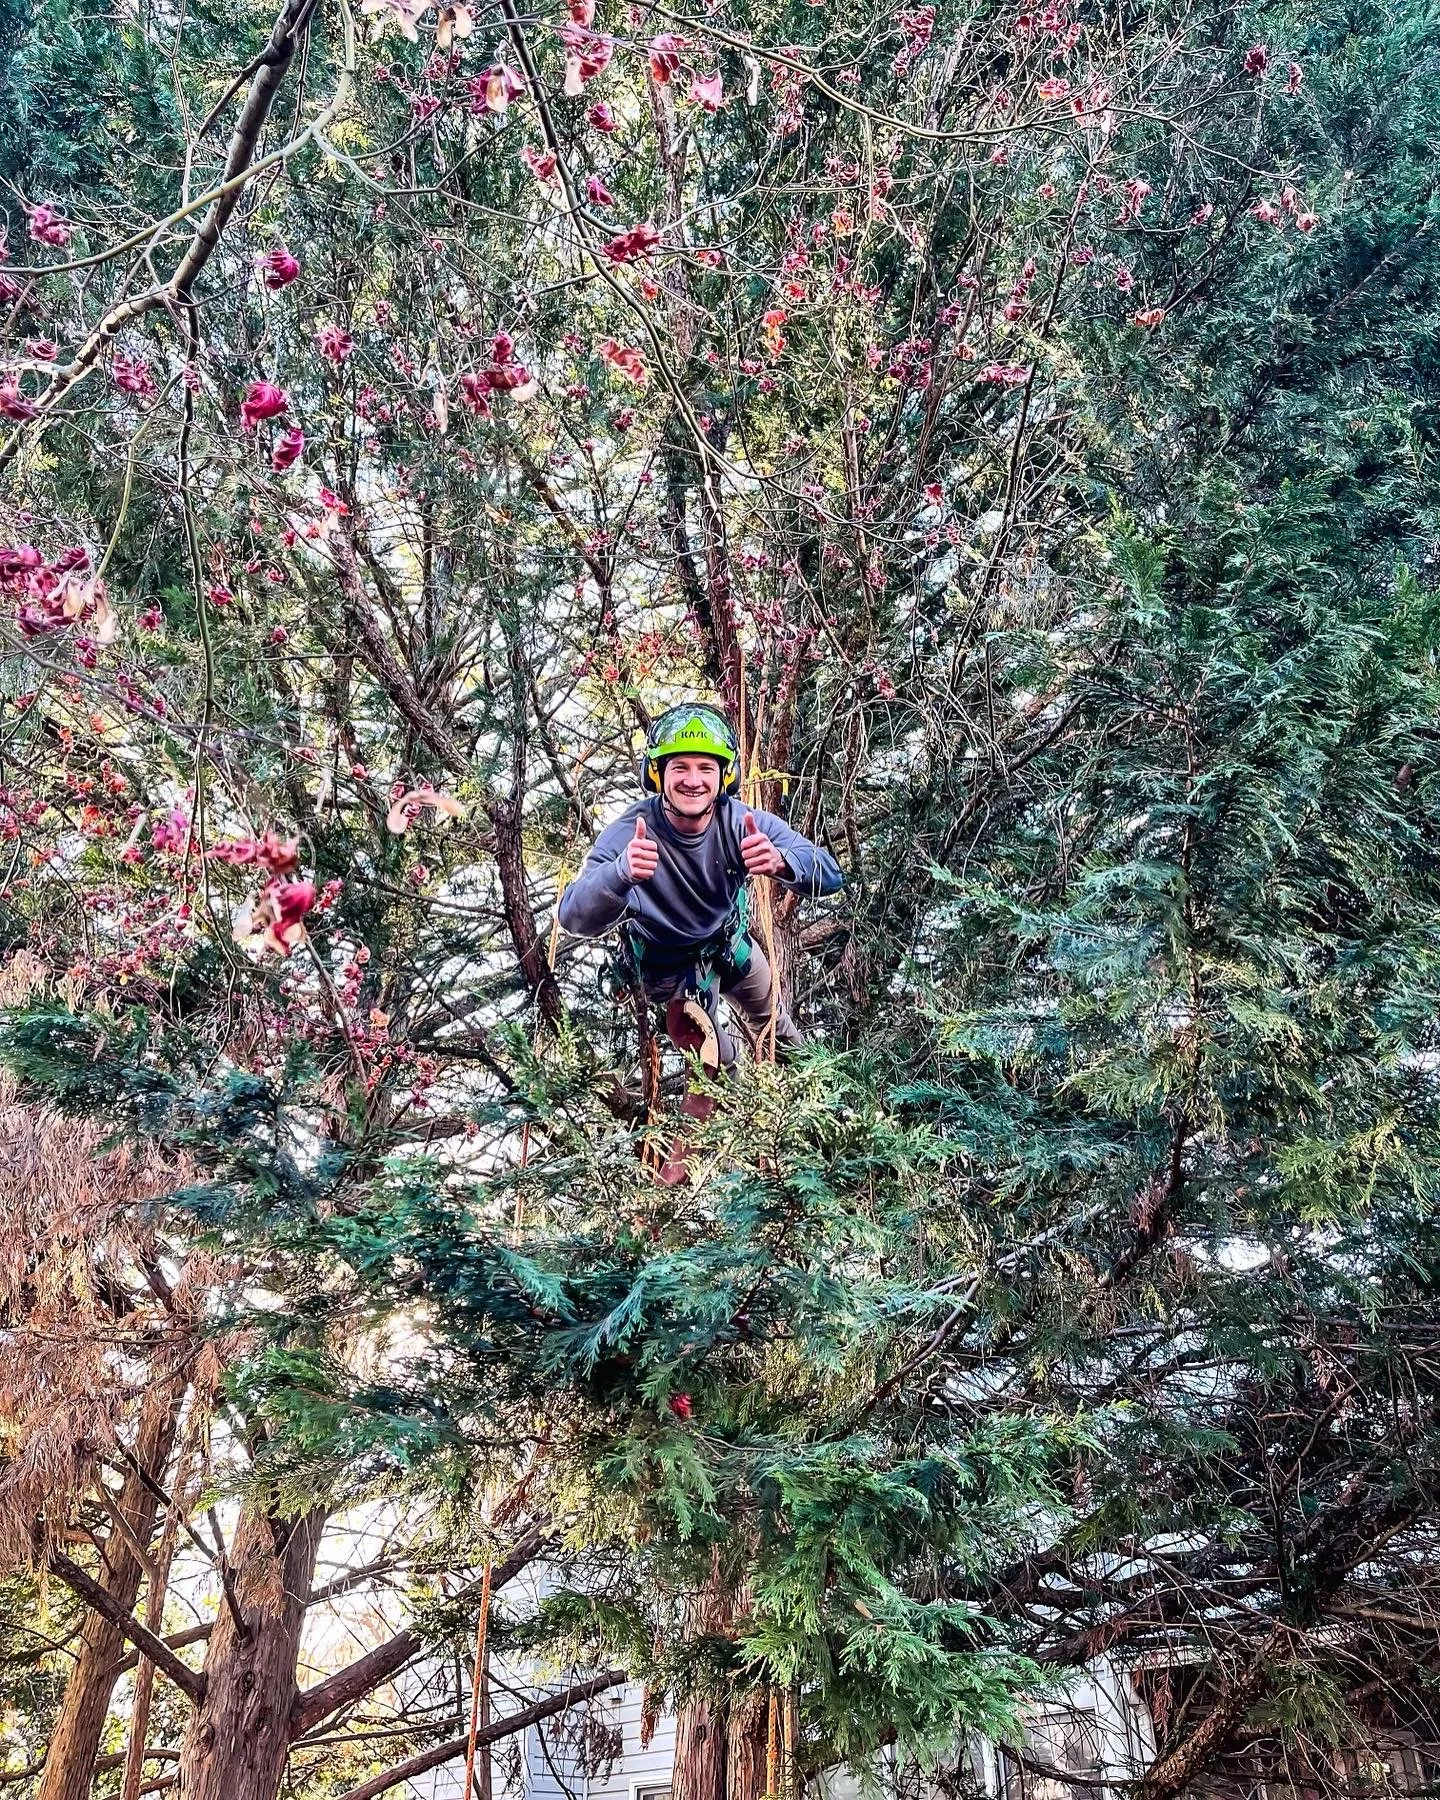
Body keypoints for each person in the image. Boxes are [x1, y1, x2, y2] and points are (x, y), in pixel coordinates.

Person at [557, 702, 844, 1072]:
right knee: (716, 1064)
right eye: (680, 767)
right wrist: (621, 872)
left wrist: (782, 863)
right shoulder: (629, 835)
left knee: (777, 1025)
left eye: (706, 768)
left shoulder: (741, 822)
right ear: (658, 775)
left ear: (725, 777)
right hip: (667, 969)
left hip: (729, 944)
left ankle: (812, 1098)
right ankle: (744, 1113)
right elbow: (572, 915)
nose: (693, 780)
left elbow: (830, 873)